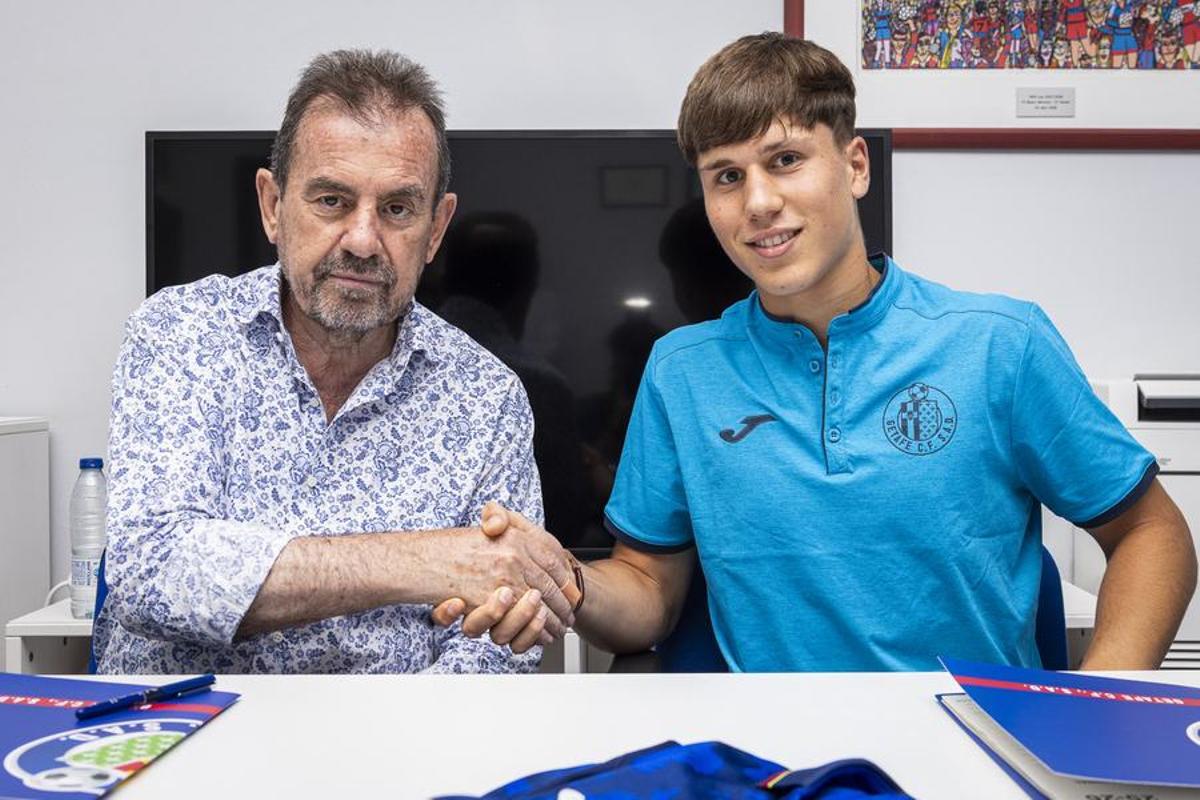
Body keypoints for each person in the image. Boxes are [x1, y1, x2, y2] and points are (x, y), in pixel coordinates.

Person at [448, 34, 1197, 672]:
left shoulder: (1000, 343)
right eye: (726, 177)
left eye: (784, 161)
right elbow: (649, 589)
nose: (758, 203)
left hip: (973, 742)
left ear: (856, 166)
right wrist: (563, 579)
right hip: (774, 757)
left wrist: (1100, 701)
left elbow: (1150, 534)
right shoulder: (683, 371)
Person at [94, 49, 580, 674]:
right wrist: (430, 560)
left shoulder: (489, 397)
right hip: (182, 731)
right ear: (273, 206)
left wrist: (393, 752)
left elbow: (498, 643)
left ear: (436, 229)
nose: (361, 240)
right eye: (331, 200)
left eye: (398, 209)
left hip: (402, 748)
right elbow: (154, 569)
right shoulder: (180, 333)